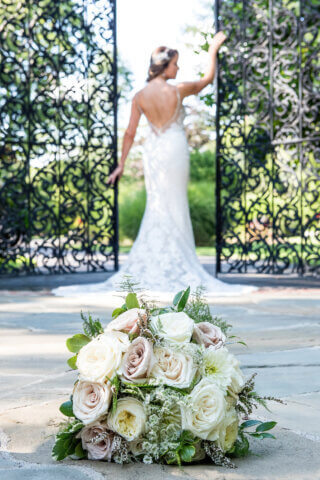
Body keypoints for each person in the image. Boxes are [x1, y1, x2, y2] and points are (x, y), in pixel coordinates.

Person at [52, 31, 259, 300]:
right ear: (164, 66)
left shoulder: (139, 96)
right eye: (175, 64)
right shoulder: (178, 89)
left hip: (154, 152)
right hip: (173, 148)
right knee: (174, 203)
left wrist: (121, 165)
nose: (178, 68)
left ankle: (160, 258)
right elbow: (208, 79)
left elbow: (129, 133)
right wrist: (212, 50)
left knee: (159, 203)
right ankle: (178, 260)